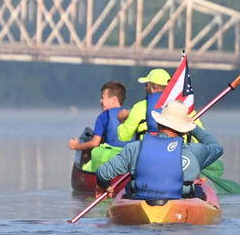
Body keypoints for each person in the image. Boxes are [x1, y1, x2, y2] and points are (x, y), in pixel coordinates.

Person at [96, 100, 224, 200]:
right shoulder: (194, 152)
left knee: (129, 187)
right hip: (179, 208)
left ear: (158, 123)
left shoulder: (135, 148)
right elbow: (217, 148)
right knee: (199, 190)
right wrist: (194, 127)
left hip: (140, 204)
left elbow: (102, 173)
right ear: (185, 130)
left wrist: (104, 186)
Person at [68, 80, 127, 172]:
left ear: (114, 100)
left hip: (109, 161)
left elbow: (94, 143)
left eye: (102, 98)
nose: (100, 101)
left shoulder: (103, 116)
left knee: (92, 150)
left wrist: (76, 146)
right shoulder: (131, 114)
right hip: (127, 159)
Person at [115, 67, 170, 142]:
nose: (145, 88)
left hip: (147, 152)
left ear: (154, 86)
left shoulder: (139, 107)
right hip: (176, 152)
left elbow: (123, 137)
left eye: (147, 85)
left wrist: (122, 120)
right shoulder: (181, 107)